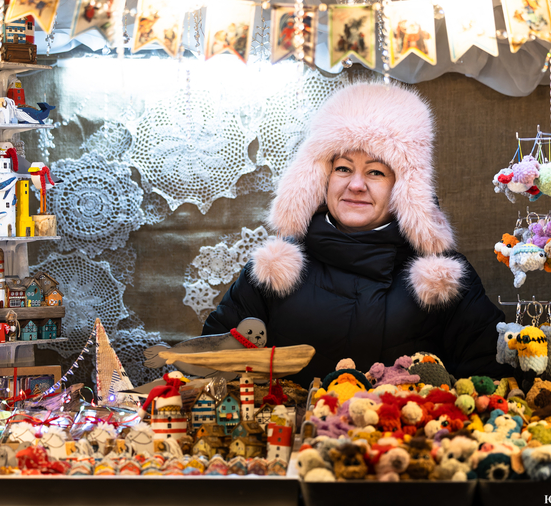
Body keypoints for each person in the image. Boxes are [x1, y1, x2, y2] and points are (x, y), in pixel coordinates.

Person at [203, 81, 512, 386]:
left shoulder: (443, 277)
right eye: (343, 168)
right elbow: (210, 365)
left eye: (376, 172)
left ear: (404, 188)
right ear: (320, 177)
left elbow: (491, 381)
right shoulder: (275, 268)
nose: (355, 185)